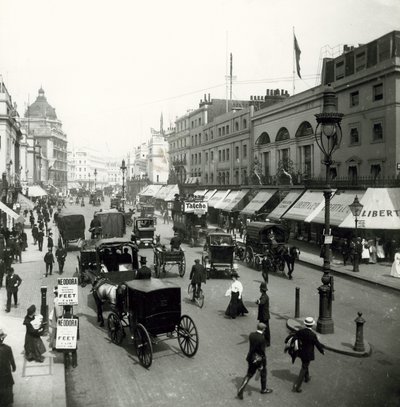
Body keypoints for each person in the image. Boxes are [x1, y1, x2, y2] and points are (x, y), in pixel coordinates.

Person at [237, 322, 273, 399]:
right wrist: (261, 364)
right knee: (263, 374)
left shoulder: (251, 335)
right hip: (259, 359)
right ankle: (263, 389)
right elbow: (262, 352)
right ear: (263, 329)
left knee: (249, 374)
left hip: (251, 358)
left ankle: (242, 387)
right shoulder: (262, 339)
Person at [289, 317, 324, 393]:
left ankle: (307, 377)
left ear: (305, 324)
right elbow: (317, 344)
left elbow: (295, 337)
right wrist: (322, 351)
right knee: (304, 367)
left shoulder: (301, 331)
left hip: (301, 352)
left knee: (305, 364)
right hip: (308, 353)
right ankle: (298, 386)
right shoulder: (313, 335)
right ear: (312, 325)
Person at [0, 328, 16, 407]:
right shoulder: (7, 348)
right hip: (6, 375)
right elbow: (11, 360)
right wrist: (14, 367)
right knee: (8, 392)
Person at [256, 282, 270, 346]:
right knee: (263, 328)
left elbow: (262, 302)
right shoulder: (263, 295)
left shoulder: (264, 296)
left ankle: (267, 341)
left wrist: (258, 301)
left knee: (266, 329)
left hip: (264, 316)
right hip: (263, 315)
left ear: (262, 289)